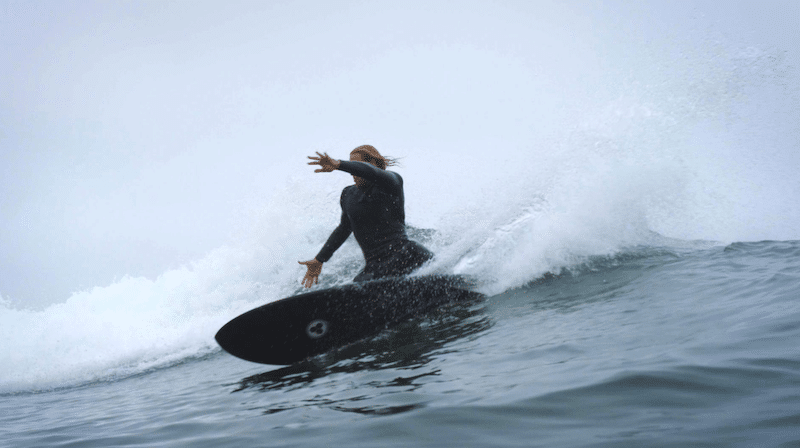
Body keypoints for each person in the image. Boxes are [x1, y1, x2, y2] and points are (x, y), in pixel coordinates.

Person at [298, 145, 433, 288]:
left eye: (356, 165)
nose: (352, 172)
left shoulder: (392, 183)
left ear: (373, 165)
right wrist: (320, 259)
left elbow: (370, 172)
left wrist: (339, 164)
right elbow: (344, 228)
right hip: (375, 267)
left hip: (407, 256)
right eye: (352, 166)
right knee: (354, 290)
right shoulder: (348, 194)